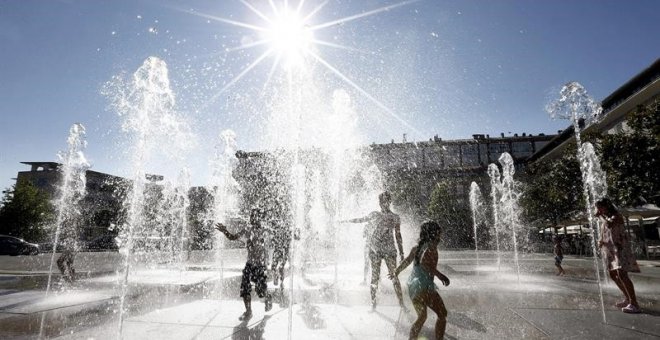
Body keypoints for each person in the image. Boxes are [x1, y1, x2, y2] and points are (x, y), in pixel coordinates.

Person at [341, 191, 405, 310]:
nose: (383, 204)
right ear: (379, 202)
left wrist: (401, 252)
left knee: (394, 277)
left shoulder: (395, 217)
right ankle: (373, 303)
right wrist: (346, 221)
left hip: (390, 250)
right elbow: (361, 220)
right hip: (375, 250)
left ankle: (402, 304)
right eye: (381, 201)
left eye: (386, 201)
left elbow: (398, 236)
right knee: (374, 277)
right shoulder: (374, 214)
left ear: (389, 202)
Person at [390, 221, 450, 340]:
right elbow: (424, 263)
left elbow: (407, 261)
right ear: (434, 233)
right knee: (442, 314)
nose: (440, 236)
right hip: (424, 287)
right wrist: (440, 275)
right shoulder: (431, 247)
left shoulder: (417, 248)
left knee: (422, 317)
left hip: (414, 287)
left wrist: (396, 271)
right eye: (439, 233)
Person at [216, 208, 273, 321]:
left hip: (261, 266)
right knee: (245, 287)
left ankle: (267, 297)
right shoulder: (247, 230)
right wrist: (225, 231)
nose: (252, 218)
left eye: (255, 216)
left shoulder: (266, 231)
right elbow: (232, 237)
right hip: (250, 264)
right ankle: (248, 311)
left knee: (260, 291)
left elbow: (269, 244)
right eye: (251, 216)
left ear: (260, 218)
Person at [596, 197, 641, 314]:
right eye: (598, 208)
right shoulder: (605, 217)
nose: (599, 209)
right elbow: (605, 231)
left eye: (601, 207)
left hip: (620, 248)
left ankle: (634, 303)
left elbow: (610, 224)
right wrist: (600, 240)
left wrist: (600, 215)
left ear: (607, 206)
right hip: (611, 250)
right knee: (612, 274)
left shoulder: (617, 216)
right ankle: (628, 299)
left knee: (622, 274)